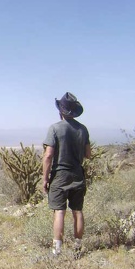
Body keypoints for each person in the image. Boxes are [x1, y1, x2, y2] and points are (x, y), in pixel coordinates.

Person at [42, 92, 91, 256]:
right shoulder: (83, 129)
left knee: (59, 211)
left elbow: (48, 155)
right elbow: (88, 154)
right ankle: (78, 246)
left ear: (60, 111)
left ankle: (57, 250)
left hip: (60, 174)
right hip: (78, 173)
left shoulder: (55, 128)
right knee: (77, 210)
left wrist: (45, 179)